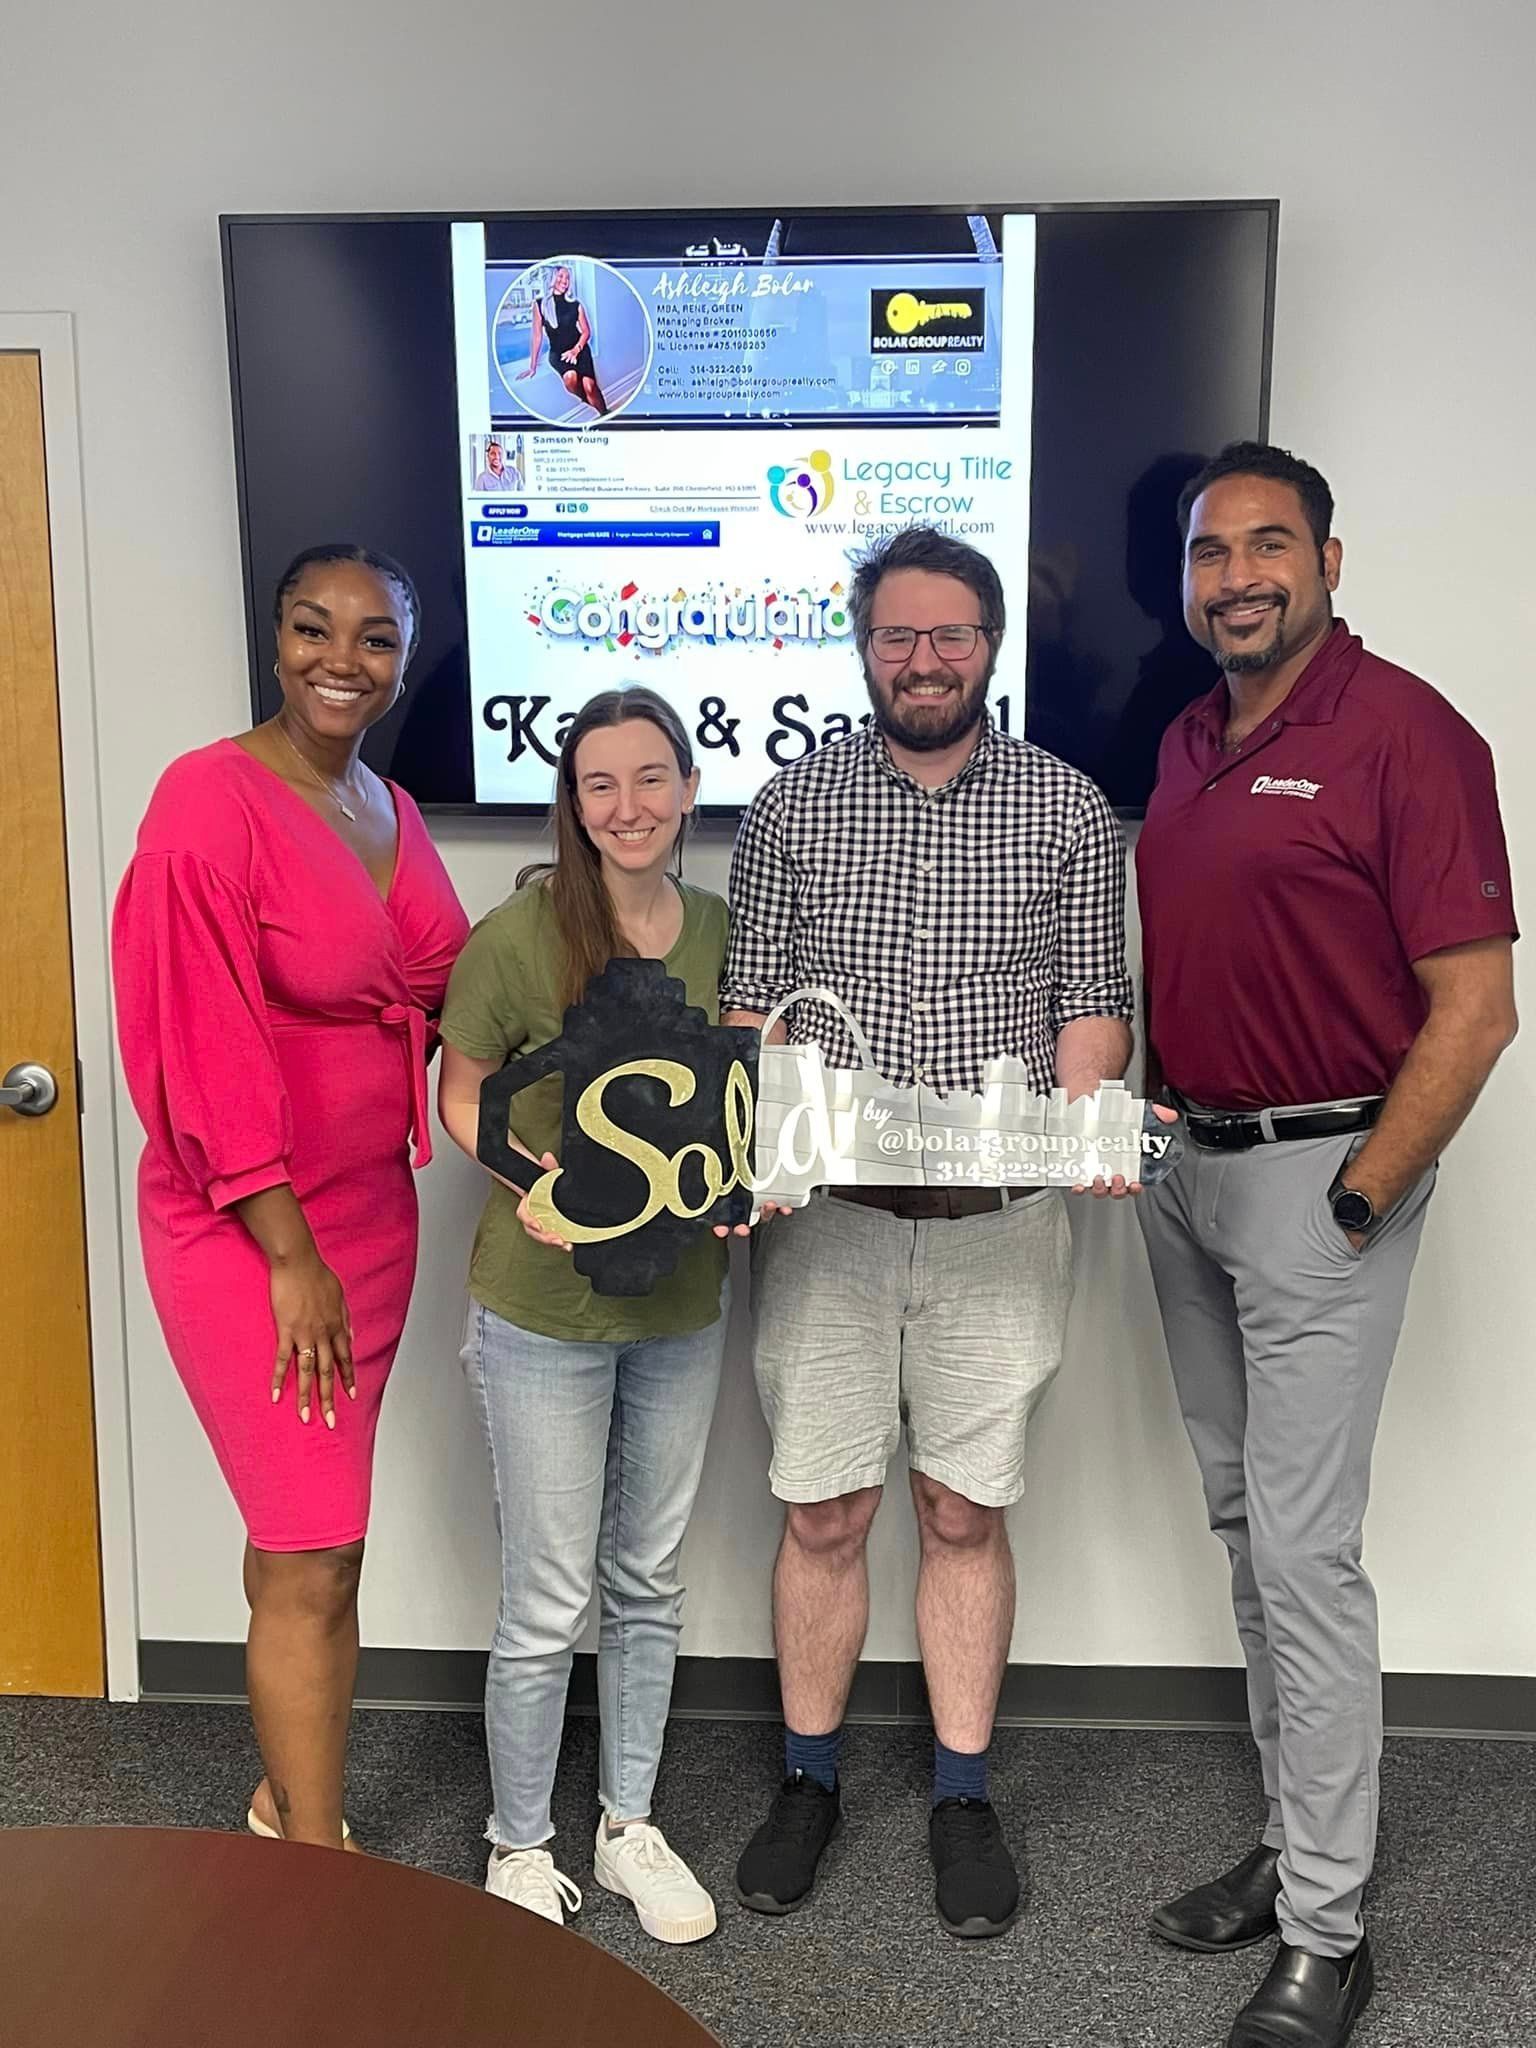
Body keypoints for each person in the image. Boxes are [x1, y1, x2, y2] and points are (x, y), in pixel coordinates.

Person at [1136, 442, 1517, 2048]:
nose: (1237, 578)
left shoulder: (1409, 733)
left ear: (1329, 563)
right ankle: (1297, 1844)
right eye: (1210, 552)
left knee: (1305, 1558)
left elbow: (1478, 1008)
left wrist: (1360, 1197)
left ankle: (1328, 1932)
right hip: (1191, 1176)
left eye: (1268, 545)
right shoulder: (1186, 741)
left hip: (1322, 1180)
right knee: (1247, 1533)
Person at [722, 525, 1137, 1938]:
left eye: (950, 633)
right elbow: (754, 1005)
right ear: (863, 648)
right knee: (823, 1509)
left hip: (998, 1225)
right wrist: (765, 1143)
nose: (923, 659)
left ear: (991, 645)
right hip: (828, 1225)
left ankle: (962, 1793)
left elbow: (1092, 1004)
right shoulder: (792, 805)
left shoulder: (1067, 805)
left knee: (964, 1509)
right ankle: (809, 1778)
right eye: (896, 634)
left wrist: (1083, 1129)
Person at [112, 545, 469, 1850]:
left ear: (403, 662)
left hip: (371, 1216)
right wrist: (286, 1250)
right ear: (276, 642)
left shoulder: (390, 804)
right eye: (316, 629)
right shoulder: (207, 801)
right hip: (251, 1230)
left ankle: (283, 1800)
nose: (343, 659)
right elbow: (193, 1038)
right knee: (314, 1548)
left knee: (312, 1537)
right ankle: (320, 1870)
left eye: (376, 638)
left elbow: (447, 989)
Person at [437, 686, 741, 1943]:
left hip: (682, 1304)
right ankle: (519, 1842)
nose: (629, 805)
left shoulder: (719, 928)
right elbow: (459, 1094)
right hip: (542, 1311)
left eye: (652, 776)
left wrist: (738, 1181)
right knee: (547, 1597)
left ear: (688, 787)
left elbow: (736, 1098)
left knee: (648, 1578)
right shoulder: (518, 937)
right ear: (572, 801)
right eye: (601, 782)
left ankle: (628, 1824)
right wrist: (533, 1181)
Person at [519, 263, 609, 417]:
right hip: (558, 354)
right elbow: (537, 336)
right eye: (561, 276)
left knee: (590, 386)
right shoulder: (540, 305)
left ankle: (605, 414)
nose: (565, 281)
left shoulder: (576, 305)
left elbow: (586, 332)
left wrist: (576, 350)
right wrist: (532, 366)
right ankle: (587, 400)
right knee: (571, 379)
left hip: (579, 349)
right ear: (552, 278)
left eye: (567, 278)